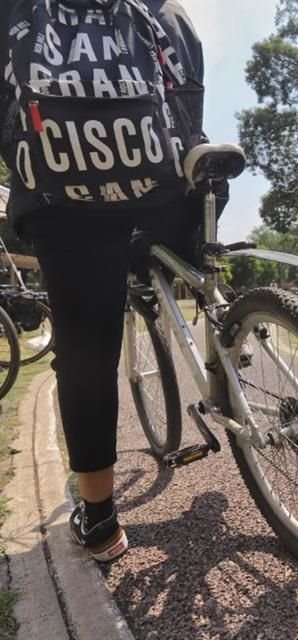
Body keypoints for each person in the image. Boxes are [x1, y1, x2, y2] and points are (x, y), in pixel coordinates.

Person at [0, 0, 205, 561]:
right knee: (197, 264)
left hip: (61, 195)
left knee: (87, 347)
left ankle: (100, 521)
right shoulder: (160, 10)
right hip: (161, 184)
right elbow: (187, 94)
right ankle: (237, 349)